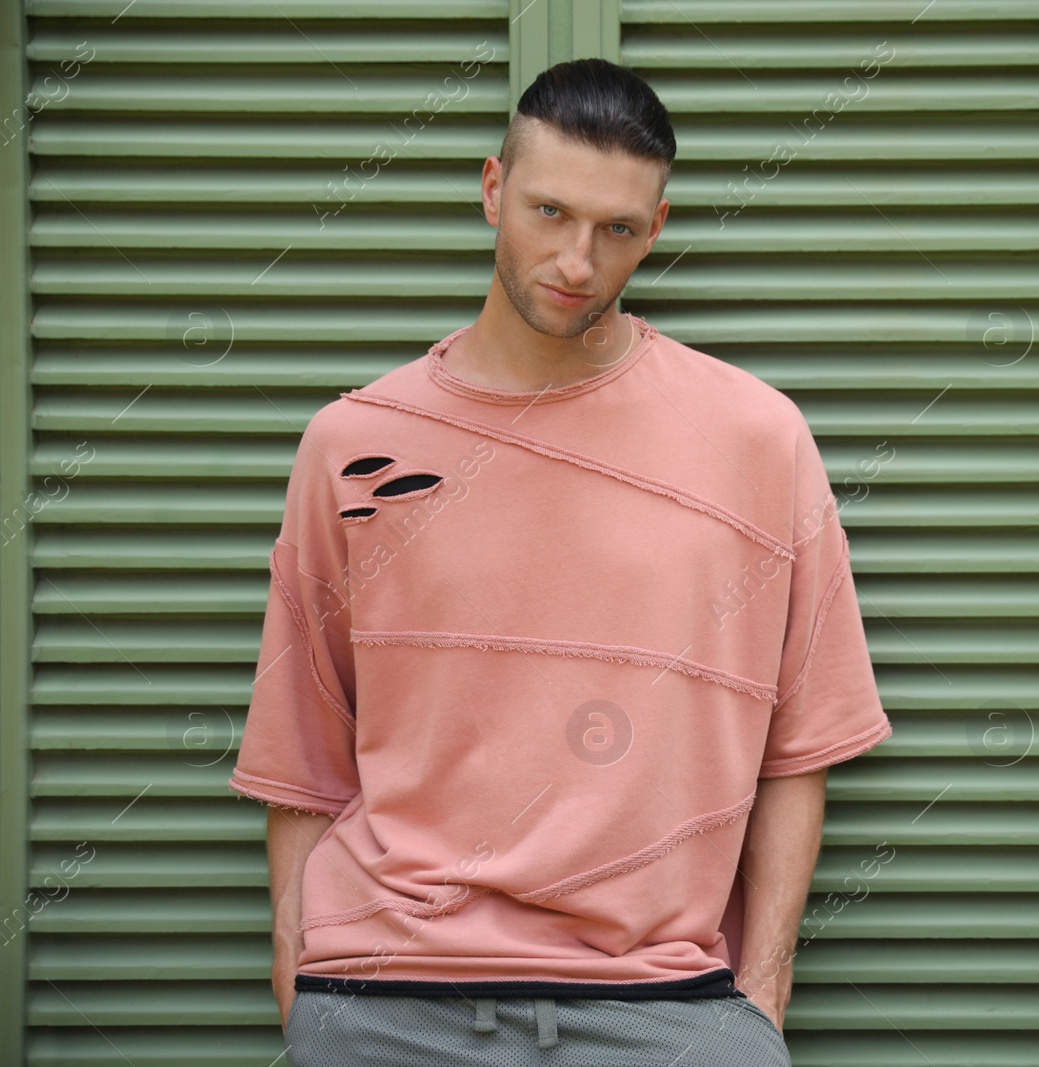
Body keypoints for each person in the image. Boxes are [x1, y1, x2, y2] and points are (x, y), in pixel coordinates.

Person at [226, 57, 892, 1066]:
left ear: (655, 229)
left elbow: (803, 739)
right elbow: (299, 743)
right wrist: (301, 977)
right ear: (493, 189)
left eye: (616, 229)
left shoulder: (756, 437)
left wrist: (760, 991)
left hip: (666, 1007)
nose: (577, 259)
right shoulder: (355, 442)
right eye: (548, 211)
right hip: (385, 1001)